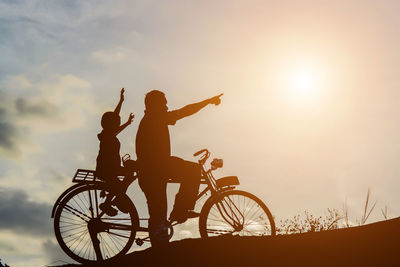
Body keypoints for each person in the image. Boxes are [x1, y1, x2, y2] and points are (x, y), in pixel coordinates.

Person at [135, 90, 223, 246]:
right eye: (164, 102)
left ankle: (160, 243)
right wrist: (208, 101)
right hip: (157, 167)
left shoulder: (150, 118)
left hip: (152, 171)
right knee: (193, 170)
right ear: (155, 104)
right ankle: (181, 210)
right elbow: (185, 111)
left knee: (158, 215)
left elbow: (183, 111)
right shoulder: (156, 117)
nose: (166, 105)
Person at [96, 88, 135, 216]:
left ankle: (115, 199)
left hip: (110, 169)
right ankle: (116, 200)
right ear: (109, 124)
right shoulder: (107, 135)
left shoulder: (109, 135)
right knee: (129, 174)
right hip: (108, 169)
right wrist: (121, 101)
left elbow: (117, 127)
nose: (118, 123)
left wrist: (127, 123)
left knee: (127, 175)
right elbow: (115, 115)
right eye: (116, 122)